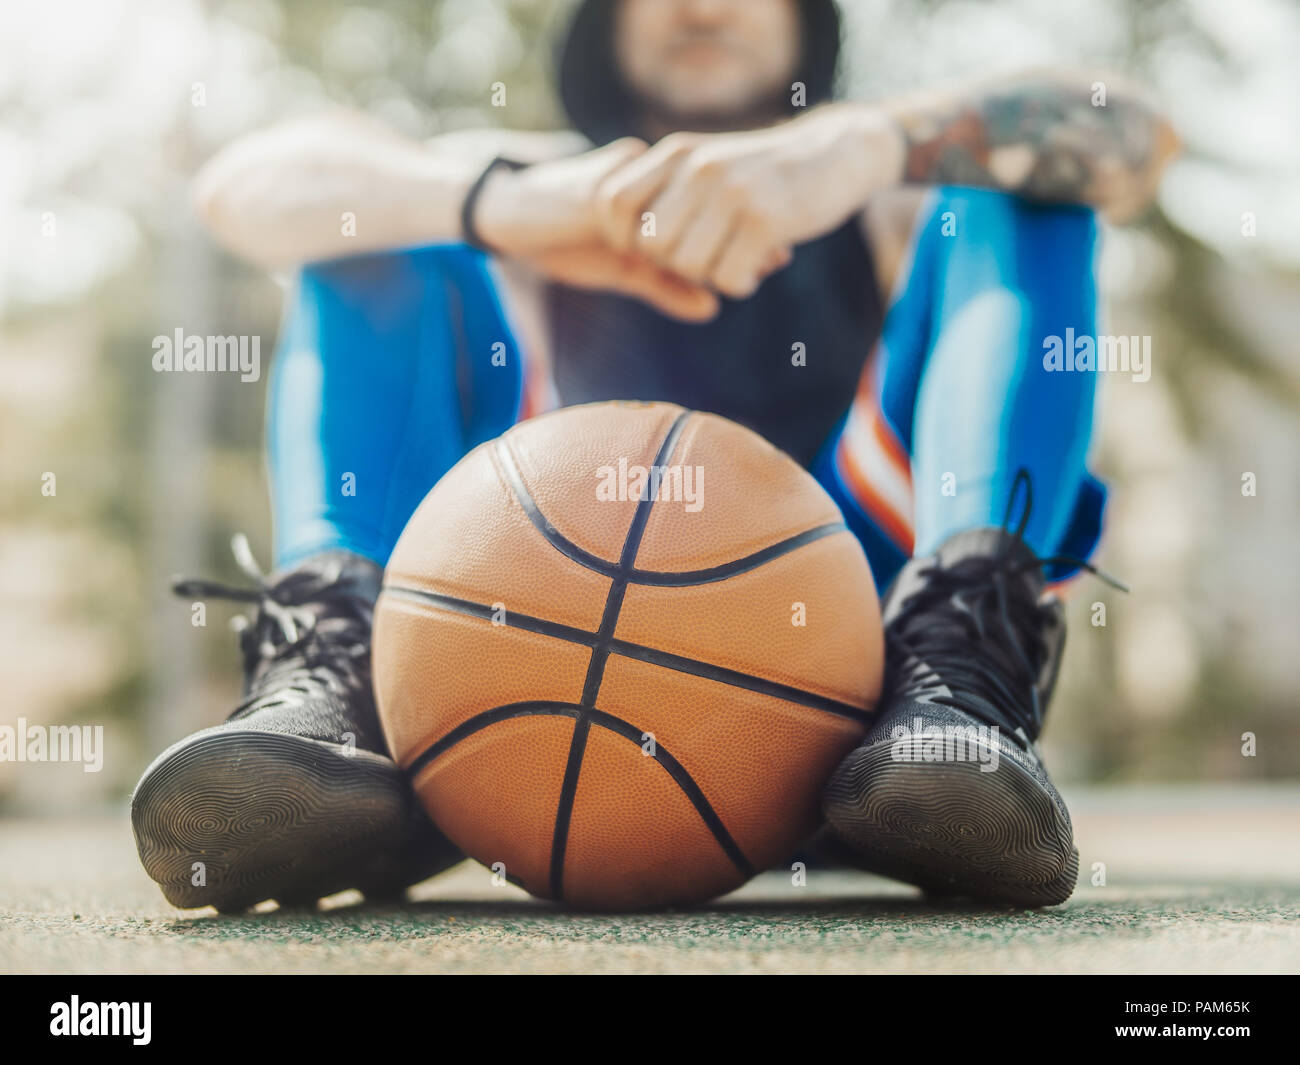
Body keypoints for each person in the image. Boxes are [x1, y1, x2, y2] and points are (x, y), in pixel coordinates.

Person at [131, 0, 1178, 911]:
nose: (700, 4)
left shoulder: (881, 189)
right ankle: (343, 696)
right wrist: (501, 203)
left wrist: (862, 146)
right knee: (380, 214)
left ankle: (956, 679)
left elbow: (1122, 129)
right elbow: (243, 186)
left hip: (865, 679)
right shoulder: (532, 183)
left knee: (1012, 173)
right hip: (505, 670)